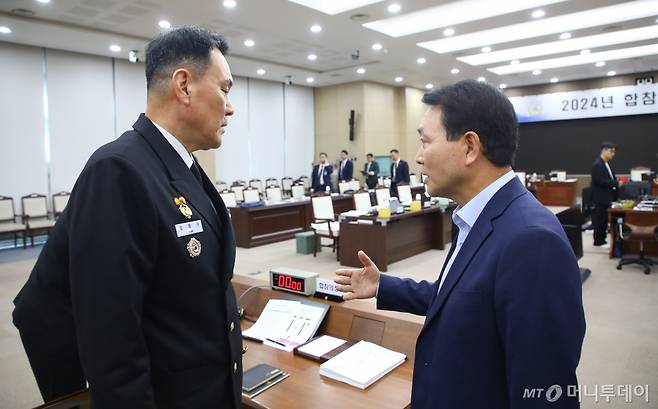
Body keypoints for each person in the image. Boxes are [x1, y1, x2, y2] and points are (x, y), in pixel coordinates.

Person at [13, 26, 244, 409]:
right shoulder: (119, 171)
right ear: (183, 86)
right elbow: (111, 336)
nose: (230, 106)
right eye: (224, 89)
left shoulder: (179, 165)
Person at [335, 80, 585, 409]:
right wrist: (384, 285)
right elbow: (461, 298)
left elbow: (544, 393)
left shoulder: (532, 241)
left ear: (469, 147)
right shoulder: (474, 215)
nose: (419, 158)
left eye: (425, 142)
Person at [590, 142, 618, 247]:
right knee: (600, 220)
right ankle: (598, 241)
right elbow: (598, 181)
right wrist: (615, 183)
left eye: (614, 152)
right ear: (604, 150)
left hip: (607, 196)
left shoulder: (606, 164)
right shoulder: (597, 164)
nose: (613, 154)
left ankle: (603, 239)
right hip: (600, 197)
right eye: (611, 151)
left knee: (605, 220)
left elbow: (609, 178)